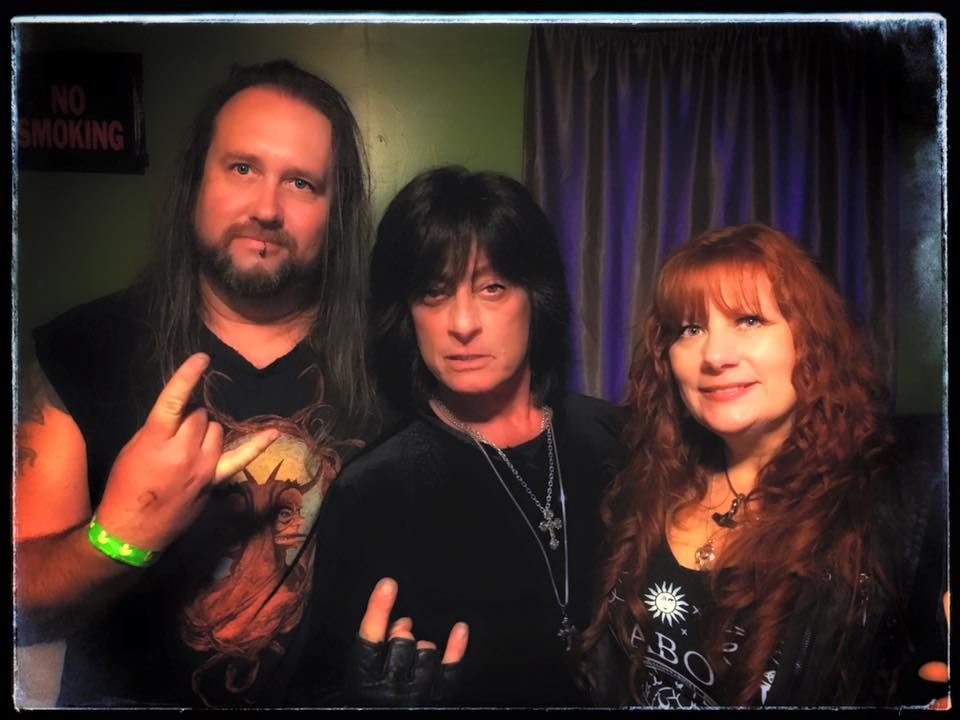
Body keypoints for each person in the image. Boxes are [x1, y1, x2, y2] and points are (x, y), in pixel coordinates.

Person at [14, 59, 379, 708]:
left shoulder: (392, 363)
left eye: (301, 183)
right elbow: (24, 600)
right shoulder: (85, 347)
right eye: (242, 168)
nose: (266, 208)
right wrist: (120, 535)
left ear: (336, 214)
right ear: (195, 184)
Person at [579, 224, 947, 707]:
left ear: (809, 338)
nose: (714, 356)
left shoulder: (899, 510)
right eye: (690, 329)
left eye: (749, 320)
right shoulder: (642, 482)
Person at [304, 166, 624, 707]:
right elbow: (319, 683)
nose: (462, 323)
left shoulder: (616, 438)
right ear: (407, 314)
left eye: (492, 287)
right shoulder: (373, 490)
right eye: (434, 293)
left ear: (536, 296)